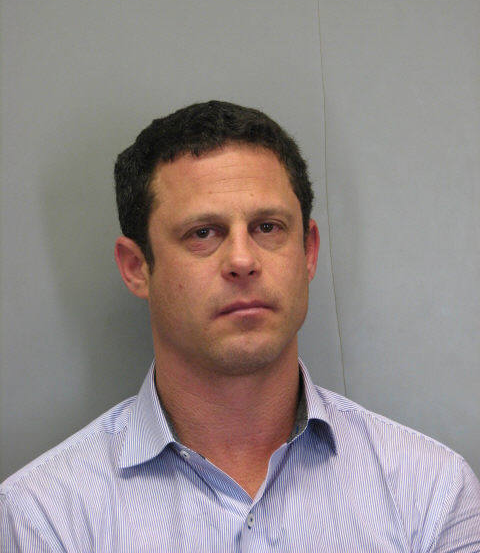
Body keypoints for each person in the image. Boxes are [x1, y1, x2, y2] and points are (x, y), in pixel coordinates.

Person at [1, 101, 479, 552]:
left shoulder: (431, 492)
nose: (243, 260)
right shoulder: (44, 518)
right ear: (136, 268)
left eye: (268, 227)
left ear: (308, 252)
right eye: (202, 233)